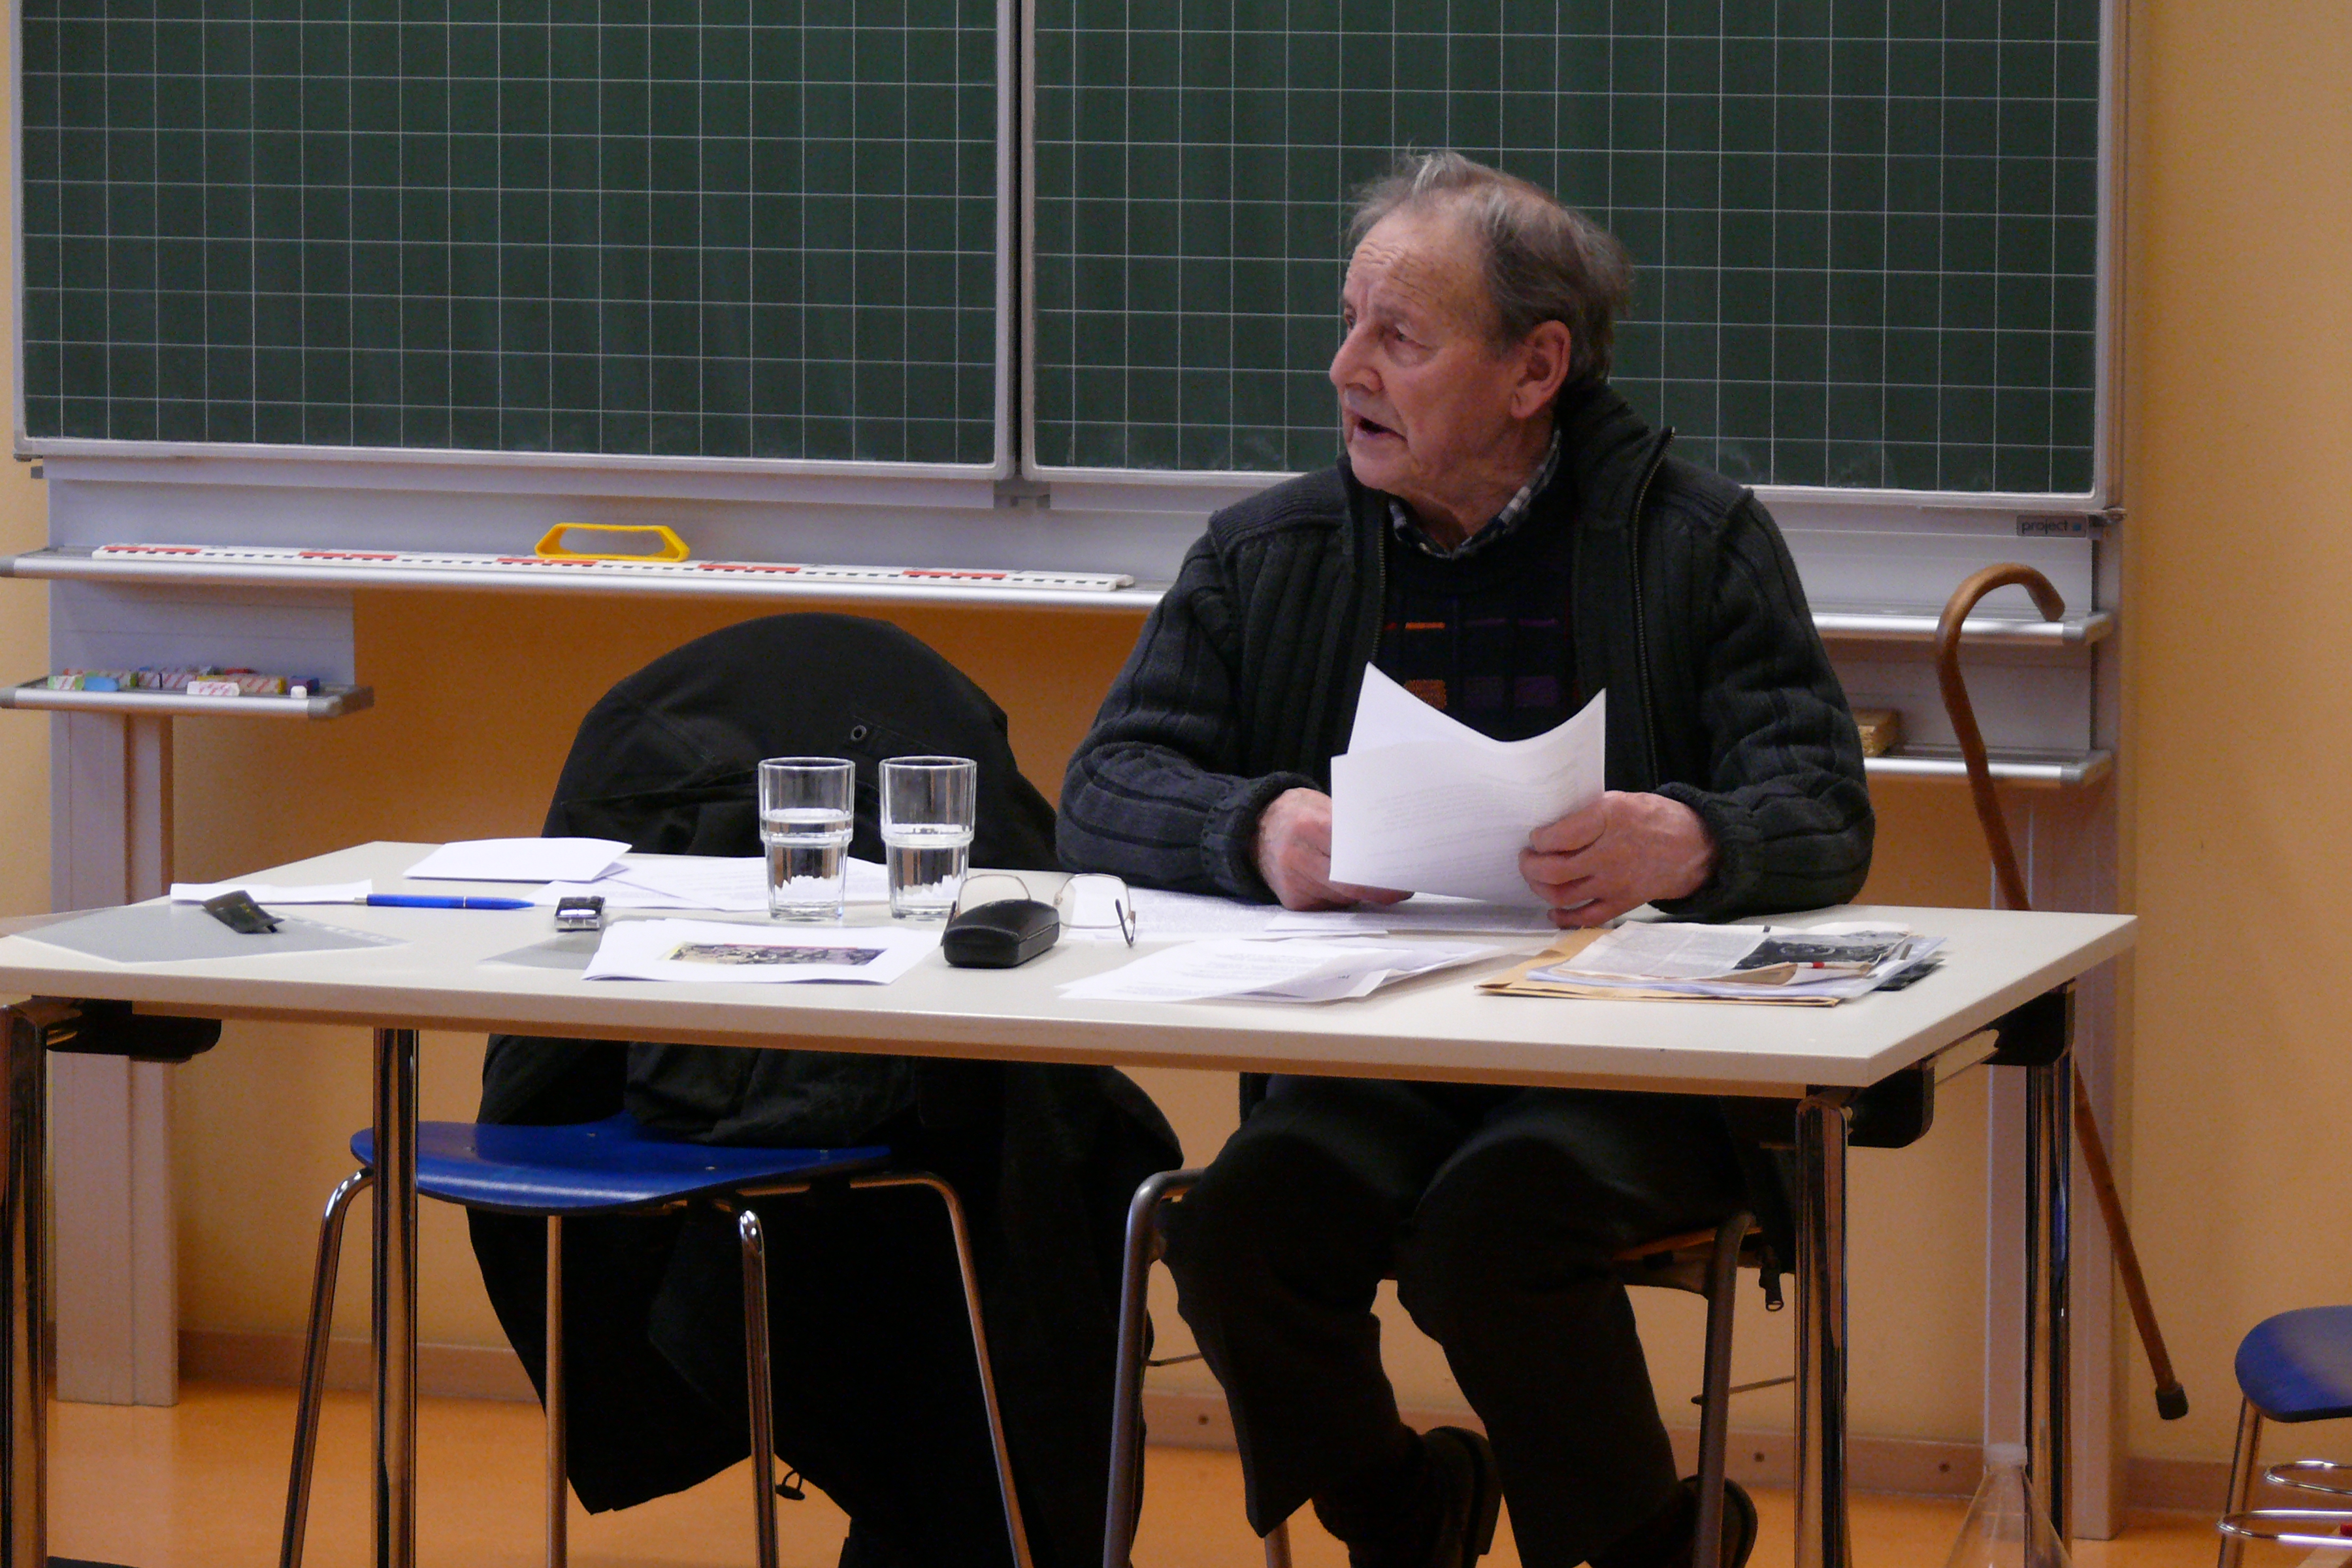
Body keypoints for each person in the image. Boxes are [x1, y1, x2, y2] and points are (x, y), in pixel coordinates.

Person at [1058, 153, 1873, 1568]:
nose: (1346, 369)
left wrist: (1690, 838)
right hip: (1374, 1054)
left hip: (1629, 1068)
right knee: (1237, 1229)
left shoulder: (1695, 542)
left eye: (1400, 336)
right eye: (1349, 324)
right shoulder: (1270, 556)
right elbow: (1105, 786)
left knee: (1492, 1233)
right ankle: (1408, 1512)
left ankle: (1644, 1550)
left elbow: (1822, 804)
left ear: (1535, 368)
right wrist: (1261, 827)